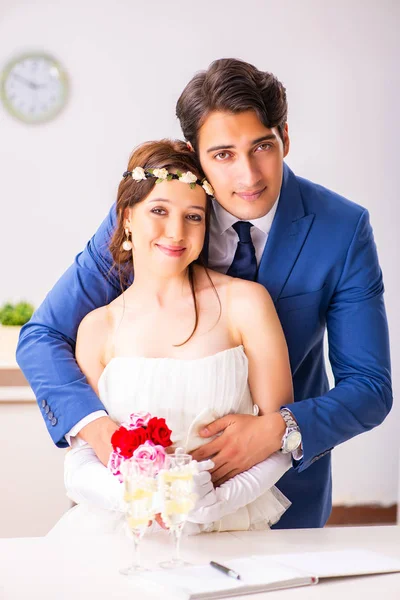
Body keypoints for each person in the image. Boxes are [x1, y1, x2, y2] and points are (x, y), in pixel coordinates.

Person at [17, 58, 392, 530]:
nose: (248, 176)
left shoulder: (342, 229)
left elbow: (370, 388)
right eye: (222, 155)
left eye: (262, 147)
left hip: (279, 497)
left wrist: (278, 431)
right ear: (195, 154)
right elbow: (43, 336)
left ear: (286, 139)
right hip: (140, 500)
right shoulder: (151, 219)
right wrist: (107, 438)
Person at [48, 139, 293, 536]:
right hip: (121, 530)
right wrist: (139, 497)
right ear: (127, 218)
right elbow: (80, 462)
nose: (176, 232)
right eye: (159, 211)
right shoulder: (97, 328)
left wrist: (214, 504)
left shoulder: (245, 304)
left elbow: (278, 437)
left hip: (227, 526)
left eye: (193, 216)